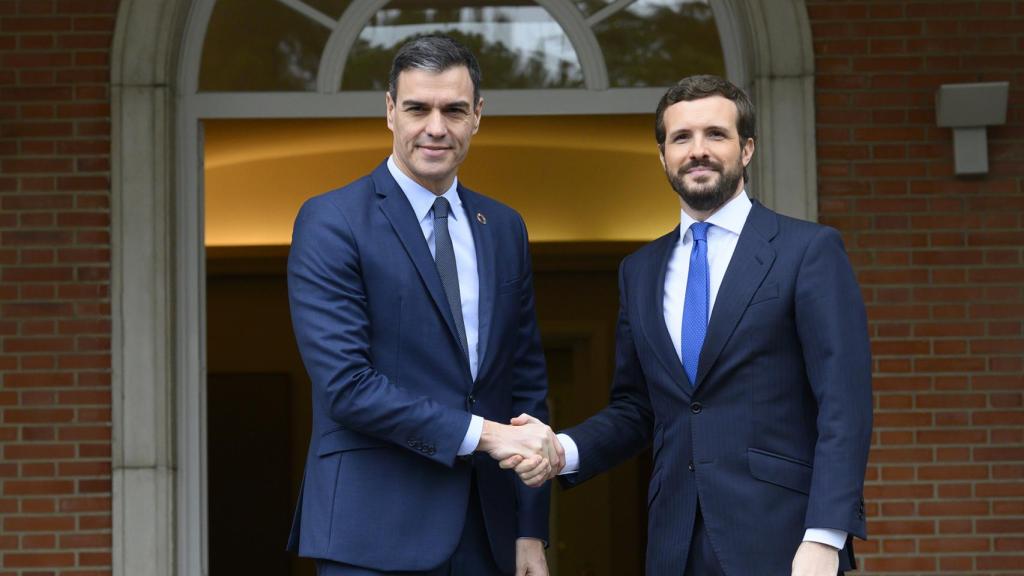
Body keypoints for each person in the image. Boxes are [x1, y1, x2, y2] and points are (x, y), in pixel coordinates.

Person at [507, 75, 872, 576]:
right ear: (663, 156)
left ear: (746, 149)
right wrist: (561, 450)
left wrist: (825, 536)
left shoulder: (807, 251)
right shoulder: (639, 270)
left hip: (785, 541)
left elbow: (844, 404)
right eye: (681, 138)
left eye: (715, 135)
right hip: (674, 542)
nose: (697, 151)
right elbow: (637, 408)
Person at [286, 35, 562, 576]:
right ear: (390, 111)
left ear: (477, 115)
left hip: (488, 532)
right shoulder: (332, 220)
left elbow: (524, 384)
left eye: (454, 110)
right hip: (372, 534)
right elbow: (346, 385)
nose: (436, 127)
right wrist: (486, 434)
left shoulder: (504, 227)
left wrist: (530, 528)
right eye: (418, 108)